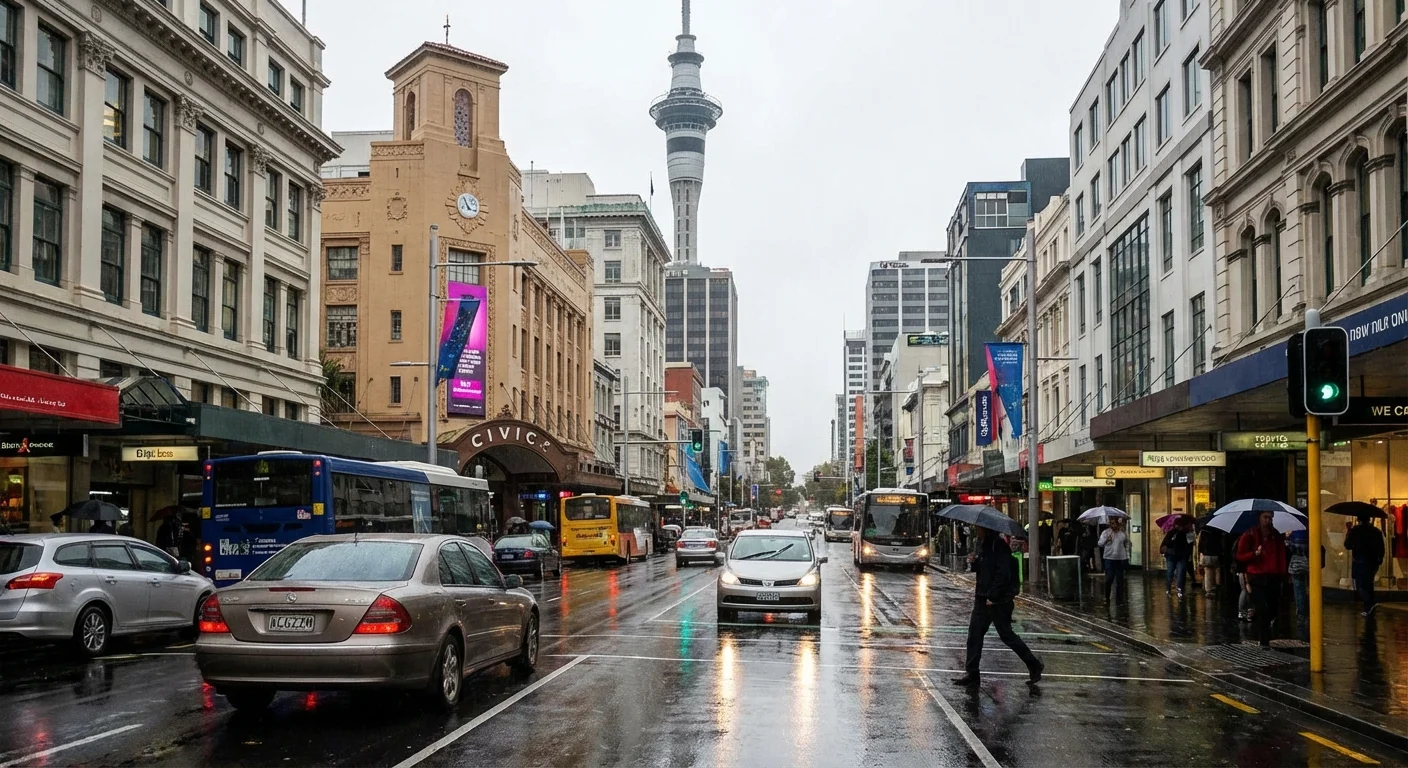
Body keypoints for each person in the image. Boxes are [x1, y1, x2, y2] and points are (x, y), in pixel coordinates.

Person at [952, 526, 1043, 687]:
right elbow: (985, 570)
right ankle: (972, 674)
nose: (975, 529)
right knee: (974, 635)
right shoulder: (983, 544)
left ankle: (1034, 664)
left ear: (985, 529)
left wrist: (993, 596)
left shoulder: (999, 545)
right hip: (982, 598)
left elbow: (1004, 573)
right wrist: (974, 563)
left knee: (1006, 635)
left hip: (997, 601)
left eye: (978, 527)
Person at [1235, 510, 1288, 648]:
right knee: (1262, 608)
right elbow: (1240, 555)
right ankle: (1264, 641)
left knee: (1273, 608)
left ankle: (1264, 632)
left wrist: (1283, 574)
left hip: (1273, 576)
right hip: (1256, 576)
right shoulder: (1250, 534)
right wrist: (1254, 554)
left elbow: (1280, 554)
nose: (1268, 520)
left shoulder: (1276, 535)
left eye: (1270, 517)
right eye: (1265, 517)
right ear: (1259, 518)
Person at [1344, 514, 1385, 617]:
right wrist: (1380, 559)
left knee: (1361, 586)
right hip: (1373, 561)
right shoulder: (1376, 531)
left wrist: (1349, 531)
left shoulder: (1355, 531)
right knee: (1369, 584)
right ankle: (1370, 605)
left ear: (1359, 520)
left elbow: (1347, 545)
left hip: (1360, 560)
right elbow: (1381, 547)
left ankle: (1369, 604)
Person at [1098, 518, 1131, 602]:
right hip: (1109, 558)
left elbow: (1128, 543)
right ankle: (1107, 596)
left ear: (1118, 524)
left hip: (1120, 558)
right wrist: (1106, 540)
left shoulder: (1122, 533)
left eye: (1115, 524)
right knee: (1109, 578)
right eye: (1112, 524)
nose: (1113, 525)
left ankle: (1119, 598)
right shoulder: (1106, 533)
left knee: (1120, 580)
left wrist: (1127, 554)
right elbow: (1100, 543)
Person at [1286, 529, 1311, 635]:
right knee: (1307, 591)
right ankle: (1308, 613)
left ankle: (1302, 616)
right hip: (1310, 564)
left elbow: (1288, 549)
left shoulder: (1294, 536)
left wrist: (1287, 538)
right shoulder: (1309, 534)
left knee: (1299, 591)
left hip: (1297, 565)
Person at [1161, 517, 1195, 597]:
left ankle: (1173, 589)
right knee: (1175, 572)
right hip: (1175, 555)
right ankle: (1173, 589)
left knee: (1177, 572)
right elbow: (1166, 543)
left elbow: (1190, 545)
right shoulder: (1174, 533)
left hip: (1177, 555)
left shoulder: (1186, 533)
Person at [1196, 526, 1223, 596]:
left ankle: (1209, 590)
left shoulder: (1203, 531)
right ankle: (1217, 585)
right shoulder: (1218, 530)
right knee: (1217, 570)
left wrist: (1199, 554)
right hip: (1216, 554)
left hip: (1206, 554)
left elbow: (1200, 545)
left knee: (1208, 572)